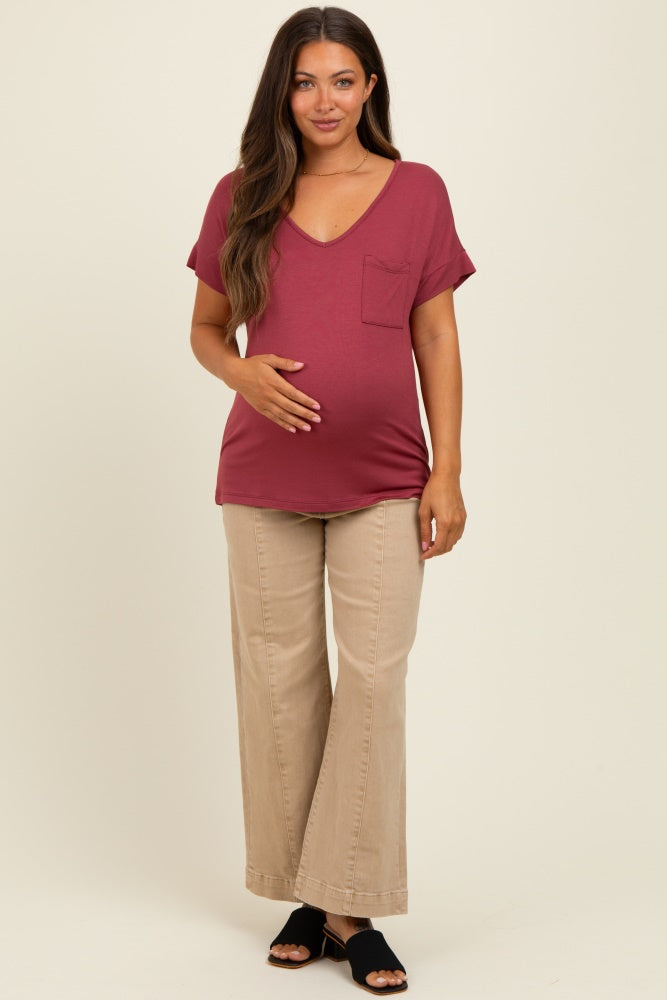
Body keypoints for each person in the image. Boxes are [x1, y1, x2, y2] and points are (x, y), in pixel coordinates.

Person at [186, 5, 475, 994]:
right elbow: (206, 330)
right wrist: (240, 372)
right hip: (262, 479)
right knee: (279, 686)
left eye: (342, 80)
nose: (323, 100)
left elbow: (435, 335)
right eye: (305, 81)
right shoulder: (241, 195)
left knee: (375, 680)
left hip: (385, 477)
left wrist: (447, 468)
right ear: (283, 91)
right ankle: (311, 897)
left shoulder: (417, 190)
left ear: (369, 89)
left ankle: (347, 903)